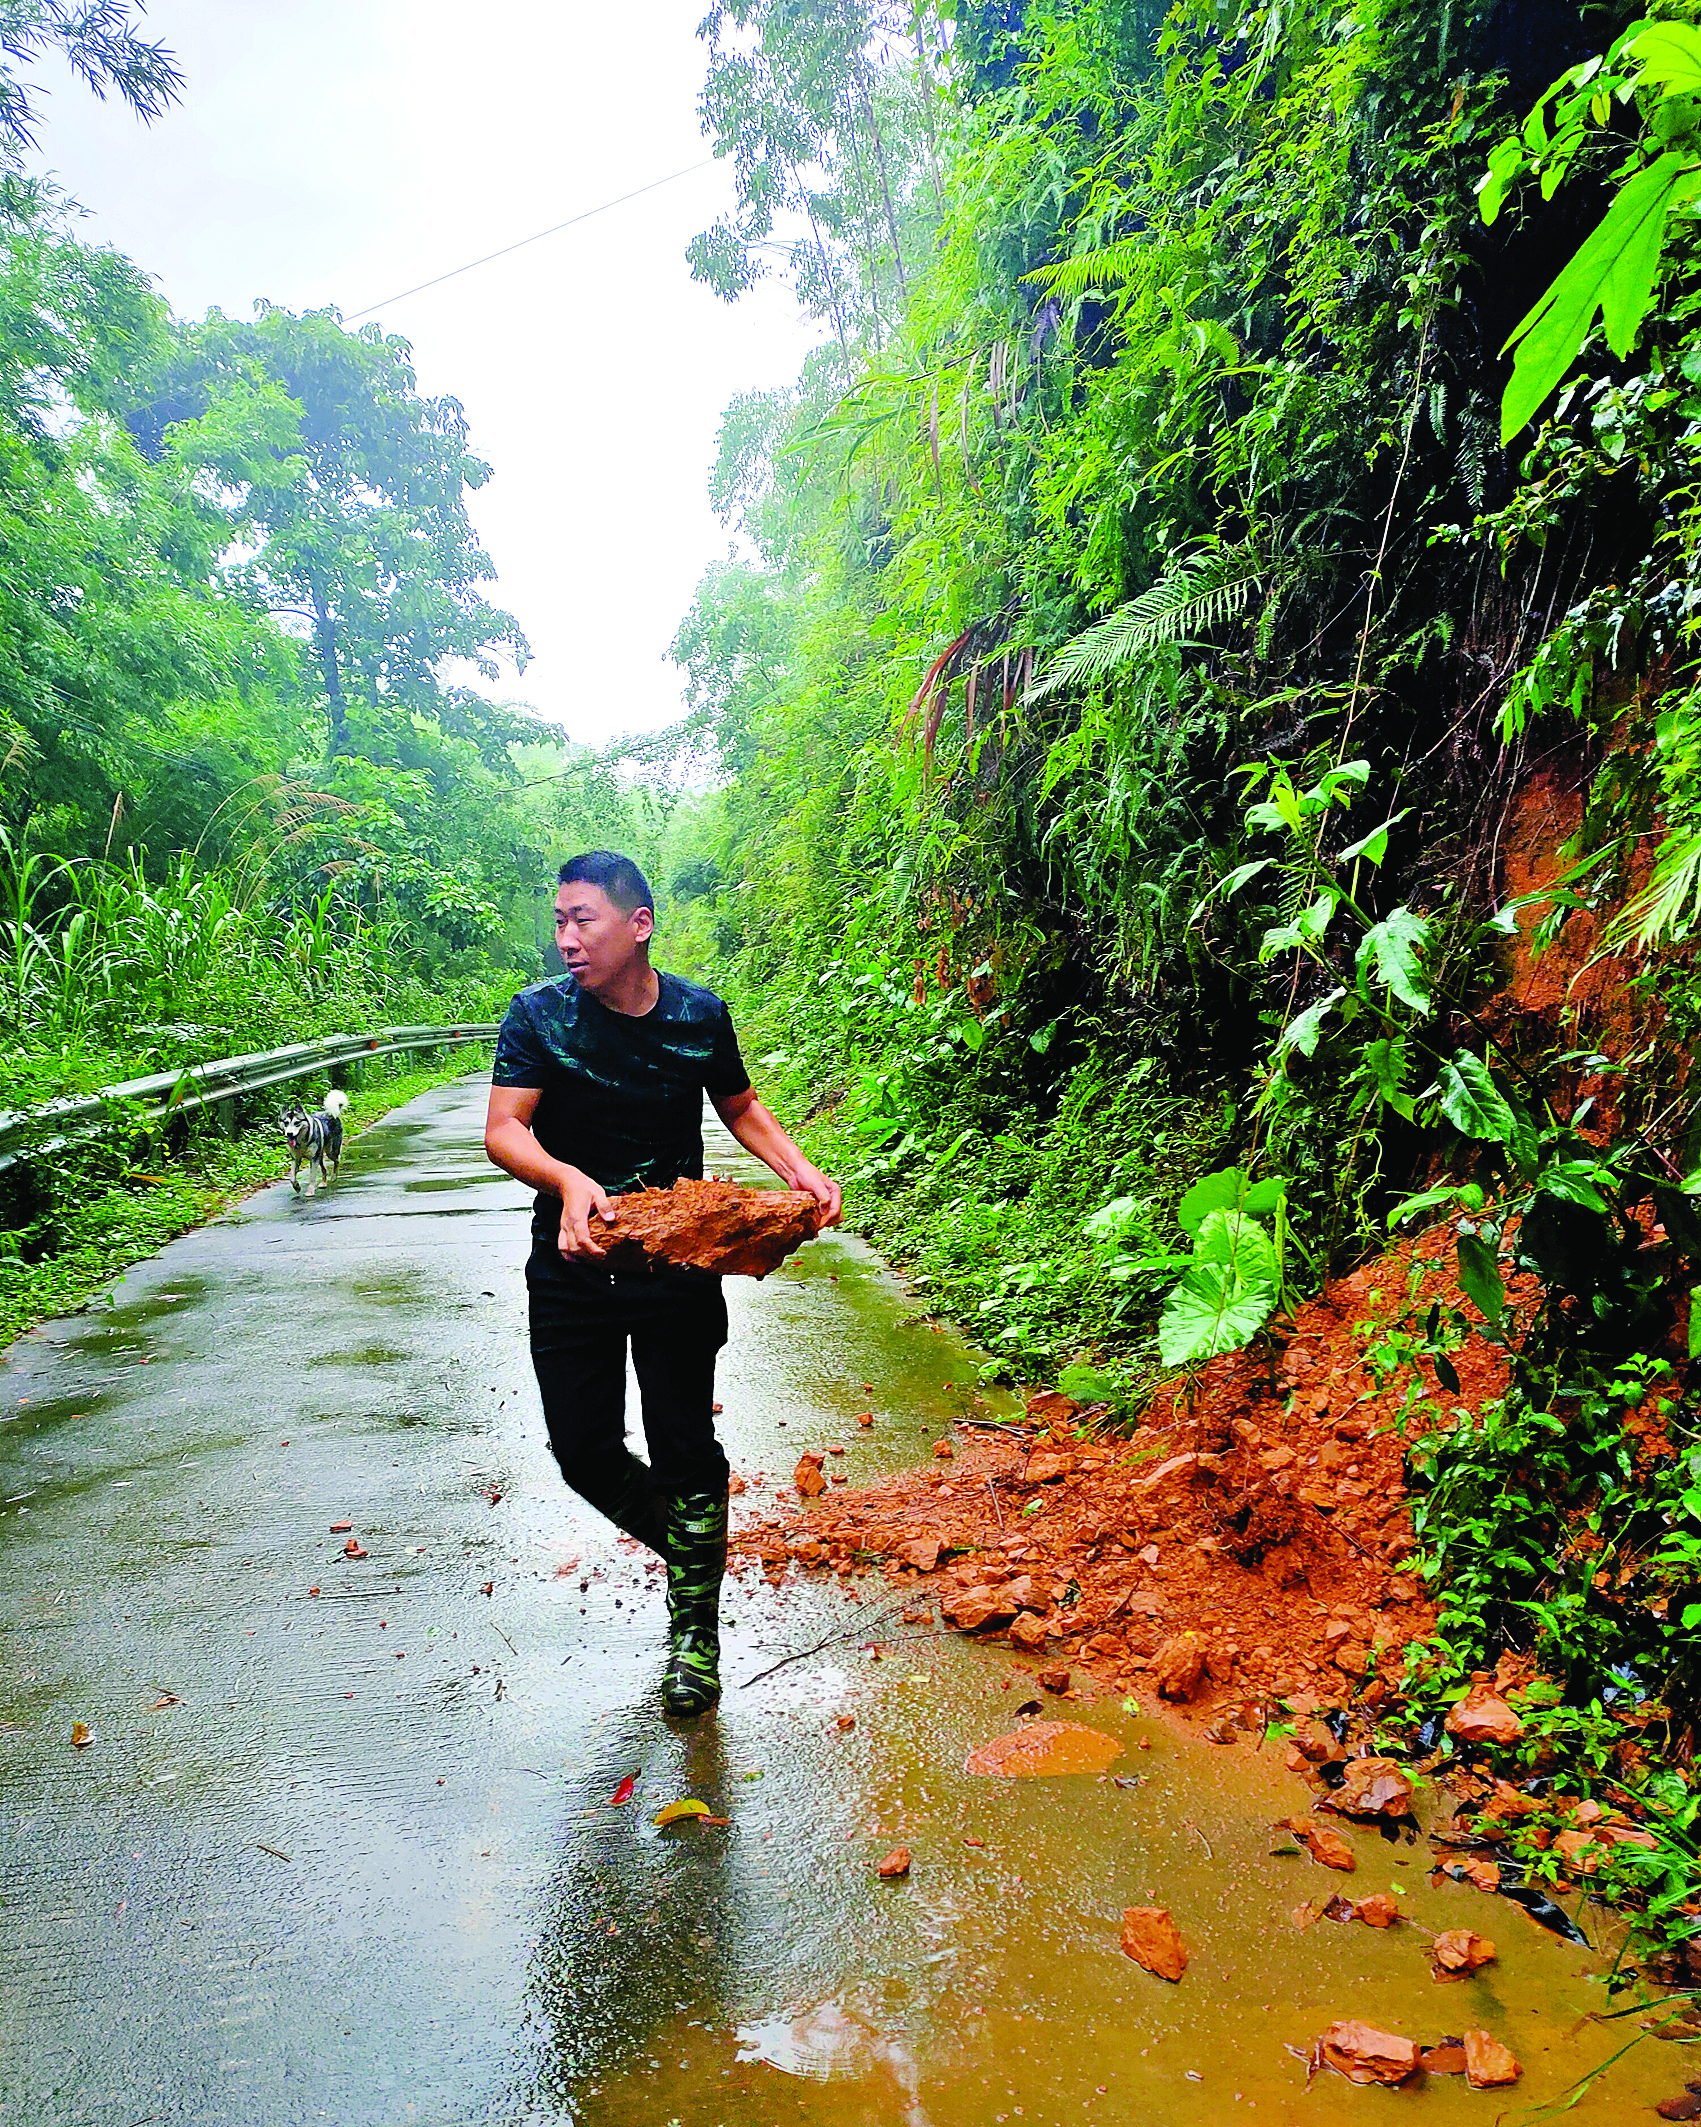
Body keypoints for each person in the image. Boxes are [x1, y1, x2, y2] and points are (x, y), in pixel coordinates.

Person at [483, 850, 842, 1718]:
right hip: (572, 1262)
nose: (566, 937)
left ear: (638, 924)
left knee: (683, 1445)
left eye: (584, 920)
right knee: (584, 1453)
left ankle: (695, 1632)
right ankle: (698, 1549)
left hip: (680, 1262)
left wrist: (800, 1168)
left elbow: (738, 1103)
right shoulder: (537, 1015)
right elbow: (504, 1129)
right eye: (559, 920)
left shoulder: (696, 1013)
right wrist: (567, 1179)